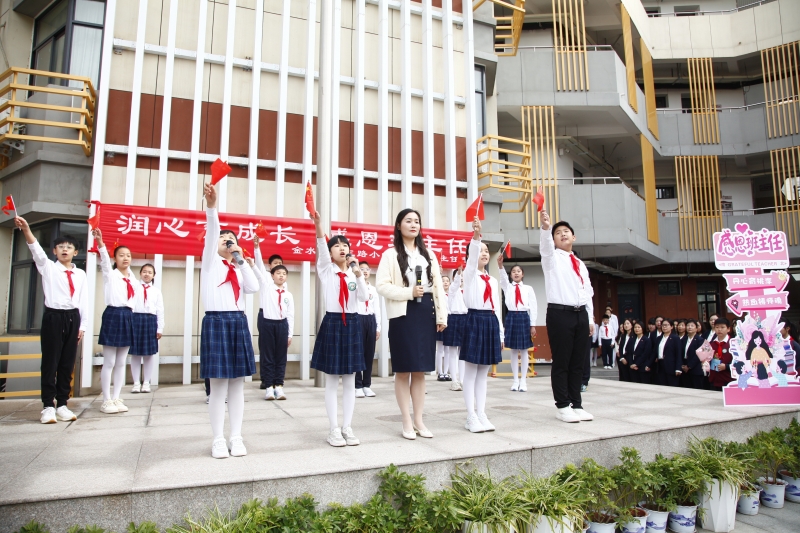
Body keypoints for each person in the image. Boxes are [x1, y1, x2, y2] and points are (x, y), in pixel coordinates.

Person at [376, 208, 447, 440]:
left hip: (425, 310)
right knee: (403, 368)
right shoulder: (390, 254)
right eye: (408, 221)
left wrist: (441, 316)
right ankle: (406, 420)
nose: (414, 224)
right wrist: (409, 292)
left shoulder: (429, 254)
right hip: (403, 314)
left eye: (417, 221)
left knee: (420, 369)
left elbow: (438, 287)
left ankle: (419, 420)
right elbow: (382, 286)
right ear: (399, 225)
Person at [200, 182, 260, 458]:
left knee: (237, 384)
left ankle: (236, 436)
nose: (226, 241)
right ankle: (217, 438)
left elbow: (253, 287)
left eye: (231, 239)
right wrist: (212, 207)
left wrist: (241, 259)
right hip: (216, 323)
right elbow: (213, 231)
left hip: (238, 322)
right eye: (223, 239)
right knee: (218, 385)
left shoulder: (237, 267)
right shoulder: (210, 262)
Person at [14, 217, 87, 424]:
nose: (65, 249)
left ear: (75, 252)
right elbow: (35, 249)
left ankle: (62, 404)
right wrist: (26, 229)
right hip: (53, 317)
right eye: (61, 247)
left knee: (66, 363)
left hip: (73, 317)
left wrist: (82, 326)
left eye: (69, 247)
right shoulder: (48, 267)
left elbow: (84, 300)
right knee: (50, 362)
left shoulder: (80, 274)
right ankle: (48, 406)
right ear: (54, 251)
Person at [310, 209, 369, 447]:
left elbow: (364, 297)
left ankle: (347, 427)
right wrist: (318, 224)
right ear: (331, 252)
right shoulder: (327, 270)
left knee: (351, 379)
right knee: (333, 380)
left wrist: (359, 274)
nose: (342, 248)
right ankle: (333, 428)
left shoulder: (355, 273)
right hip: (333, 323)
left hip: (352, 323)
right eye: (337, 246)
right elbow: (321, 246)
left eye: (345, 245)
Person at [539, 208, 595, 423]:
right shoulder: (551, 258)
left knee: (578, 362)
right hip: (560, 314)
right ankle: (562, 405)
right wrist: (545, 228)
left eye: (566, 232)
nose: (562, 234)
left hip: (580, 314)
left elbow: (587, 292)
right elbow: (545, 248)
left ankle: (576, 404)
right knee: (562, 361)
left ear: (574, 237)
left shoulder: (580, 264)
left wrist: (590, 318)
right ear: (554, 239)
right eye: (558, 233)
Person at [458, 216, 503, 433]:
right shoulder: (470, 274)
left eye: (487, 251)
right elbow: (473, 253)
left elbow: (497, 307)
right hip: (474, 319)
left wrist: (500, 333)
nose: (484, 253)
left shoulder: (492, 280)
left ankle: (481, 412)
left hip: (490, 321)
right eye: (480, 250)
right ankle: (470, 416)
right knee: (470, 371)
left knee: (483, 372)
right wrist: (476, 235)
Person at [91, 228, 139, 415]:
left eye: (128, 255)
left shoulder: (132, 278)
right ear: (115, 258)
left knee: (121, 362)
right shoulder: (110, 275)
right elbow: (104, 260)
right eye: (121, 255)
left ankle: (117, 397)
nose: (125, 258)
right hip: (113, 314)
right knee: (109, 361)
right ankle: (106, 400)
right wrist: (100, 242)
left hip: (128, 316)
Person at [253, 238, 294, 401]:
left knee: (281, 357)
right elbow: (258, 268)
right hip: (268, 323)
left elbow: (290, 314)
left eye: (284, 274)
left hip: (282, 325)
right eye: (278, 273)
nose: (281, 276)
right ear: (271, 274)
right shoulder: (266, 285)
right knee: (268, 356)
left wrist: (290, 333)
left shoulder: (288, 294)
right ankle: (269, 387)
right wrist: (256, 249)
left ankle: (279, 386)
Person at [496, 258, 537, 392]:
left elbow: (533, 307)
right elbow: (503, 278)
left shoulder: (528, 289)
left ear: (522, 274)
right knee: (513, 350)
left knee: (524, 350)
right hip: (512, 317)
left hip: (524, 317)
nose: (516, 273)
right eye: (513, 271)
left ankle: (523, 381)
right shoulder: (507, 287)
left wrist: (533, 324)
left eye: (518, 271)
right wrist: (500, 266)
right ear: (511, 275)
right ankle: (515, 380)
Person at [129, 264, 164, 394]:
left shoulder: (156, 291)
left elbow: (160, 310)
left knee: (149, 354)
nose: (147, 274)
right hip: (135, 319)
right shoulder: (134, 287)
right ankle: (136, 383)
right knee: (135, 353)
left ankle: (146, 382)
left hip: (150, 321)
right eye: (144, 271)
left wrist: (160, 328)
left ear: (153, 275)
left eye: (150, 272)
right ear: (140, 273)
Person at [355, 260, 381, 398]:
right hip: (358, 318)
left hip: (370, 320)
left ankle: (367, 385)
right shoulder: (354, 286)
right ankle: (357, 385)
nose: (364, 271)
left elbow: (377, 309)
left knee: (369, 354)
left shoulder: (373, 289)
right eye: (362, 269)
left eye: (367, 269)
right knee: (358, 353)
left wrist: (378, 327)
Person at [444, 267, 468, 391]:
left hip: (466, 319)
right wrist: (459, 272)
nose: (462, 278)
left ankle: (462, 380)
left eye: (463, 276)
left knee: (462, 353)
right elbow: (455, 284)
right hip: (453, 318)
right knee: (452, 352)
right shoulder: (453, 289)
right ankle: (454, 380)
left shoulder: (468, 290)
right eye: (459, 276)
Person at [708, 317, 733, 391]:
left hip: (729, 379)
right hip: (714, 379)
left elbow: (740, 362)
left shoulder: (734, 343)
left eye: (722, 327)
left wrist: (727, 366)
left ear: (728, 329)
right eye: (717, 327)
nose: (719, 329)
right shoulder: (711, 344)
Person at [656, 318, 682, 387]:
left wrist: (678, 368)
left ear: (671, 327)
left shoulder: (675, 338)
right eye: (663, 325)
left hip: (671, 366)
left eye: (666, 325)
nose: (664, 327)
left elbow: (678, 354)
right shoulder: (659, 338)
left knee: (672, 386)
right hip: (661, 365)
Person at [681, 319, 705, 389]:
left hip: (696, 368)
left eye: (692, 326)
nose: (690, 327)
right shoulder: (683, 339)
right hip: (684, 368)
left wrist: (689, 366)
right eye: (688, 325)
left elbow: (698, 355)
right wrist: (683, 365)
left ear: (696, 328)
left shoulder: (700, 340)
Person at [436, 275, 451, 381]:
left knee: (448, 349)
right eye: (443, 281)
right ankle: (440, 372)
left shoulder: (452, 294)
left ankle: (446, 372)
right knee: (440, 348)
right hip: (441, 319)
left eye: (447, 281)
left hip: (450, 320)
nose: (445, 282)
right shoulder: (439, 295)